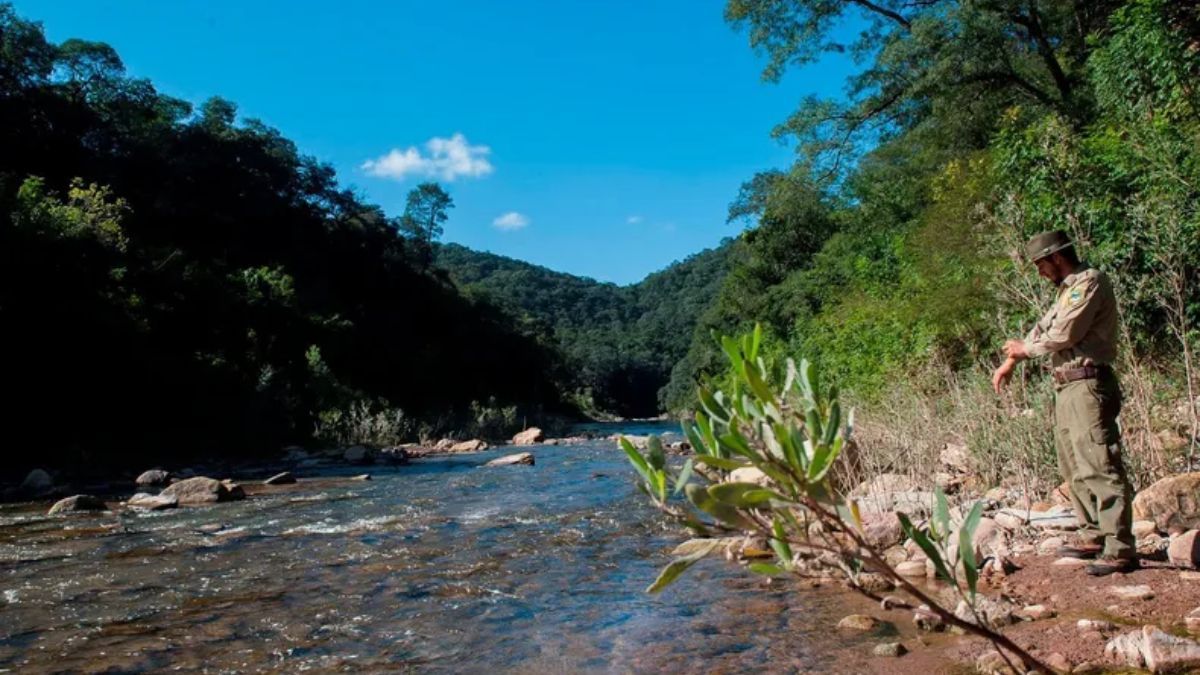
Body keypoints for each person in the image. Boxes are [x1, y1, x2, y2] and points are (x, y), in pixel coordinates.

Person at [992, 230, 1136, 576]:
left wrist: (1023, 351)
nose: (1040, 272)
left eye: (1041, 265)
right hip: (1067, 388)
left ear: (1057, 258)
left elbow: (1064, 334)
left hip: (1088, 384)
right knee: (1073, 465)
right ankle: (1093, 535)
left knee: (1098, 463)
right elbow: (1044, 328)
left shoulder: (1090, 282)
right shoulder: (1067, 291)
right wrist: (1013, 359)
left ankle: (1120, 548)